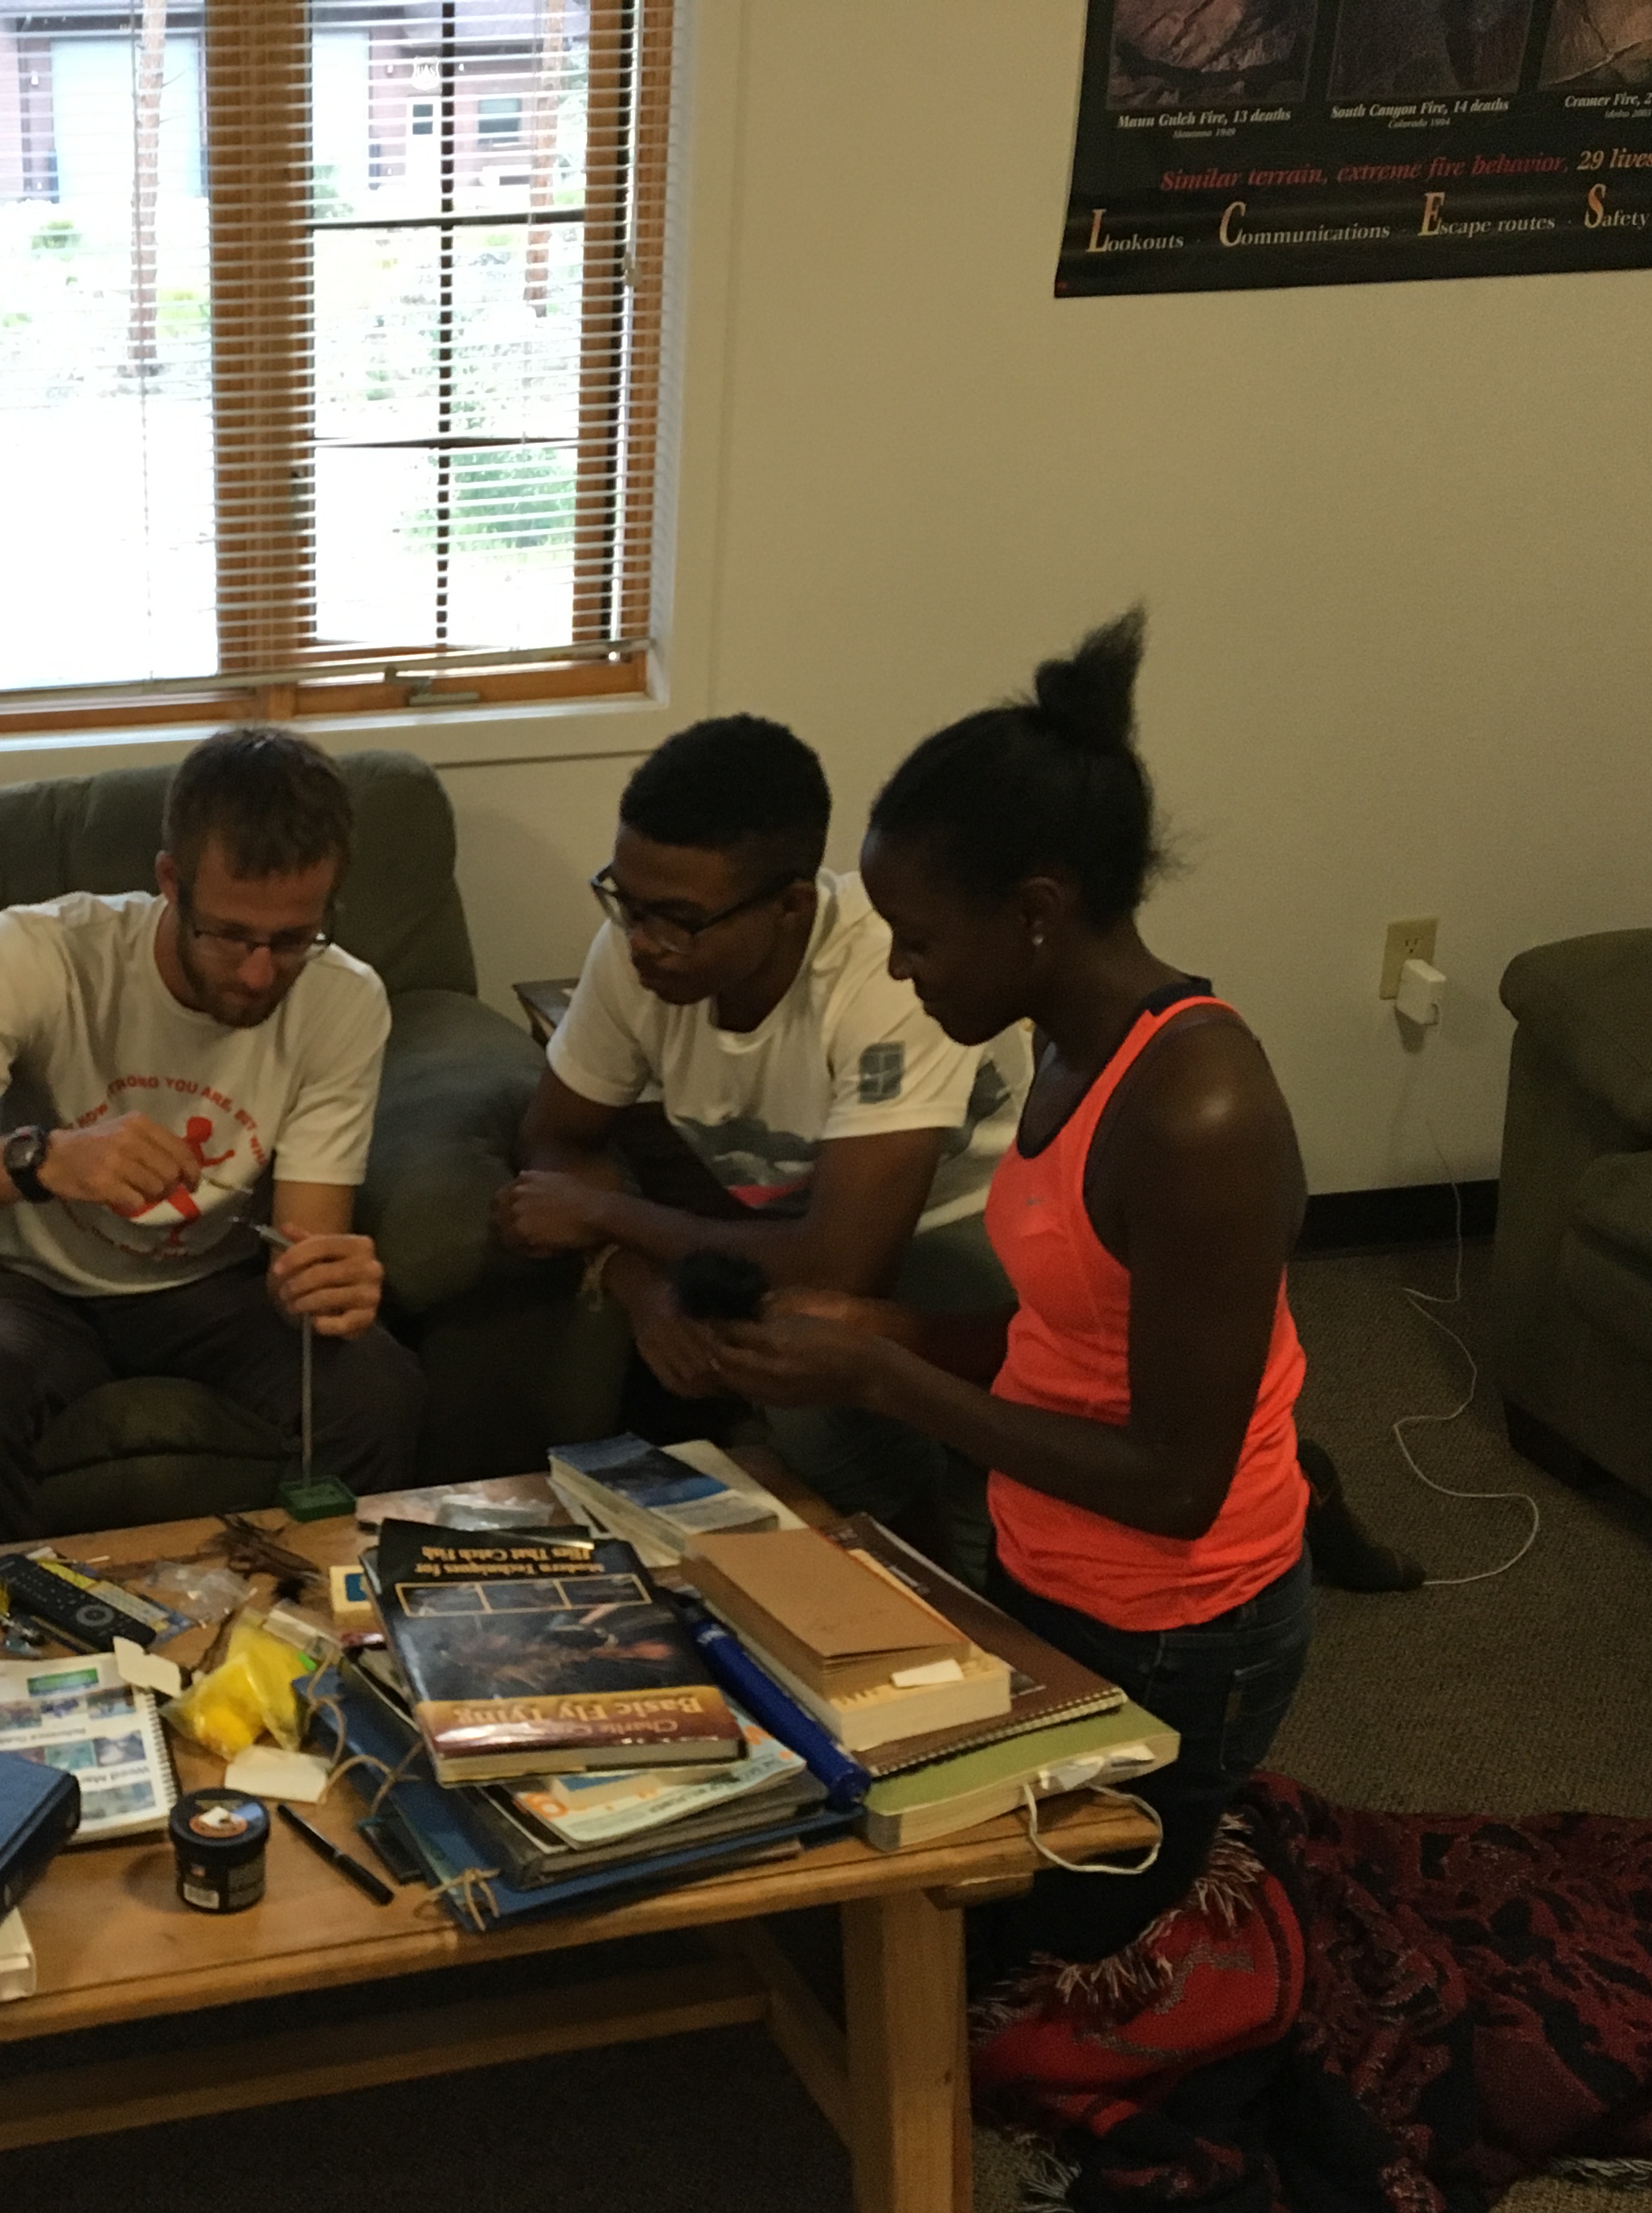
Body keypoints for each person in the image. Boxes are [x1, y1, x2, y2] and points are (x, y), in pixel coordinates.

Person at [711, 612, 1314, 1965]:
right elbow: (1070, 1331)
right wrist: (883, 1326)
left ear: (1034, 912)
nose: (899, 969)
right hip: (1044, 1571)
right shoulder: (1058, 1047)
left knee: (1003, 1978)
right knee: (859, 1908)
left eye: (917, 939)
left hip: (1179, 1623)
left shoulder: (1198, 1109)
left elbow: (1174, 1478)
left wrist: (883, 1376)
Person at [0, 726, 424, 1549]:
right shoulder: (37, 954)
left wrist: (321, 1279)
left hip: (221, 1288)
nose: (260, 972)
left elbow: (305, 1242)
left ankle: (324, 1642)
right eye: (228, 934)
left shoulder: (345, 1000)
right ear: (170, 884)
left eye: (293, 939)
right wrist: (43, 1159)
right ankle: (2, 1651)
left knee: (376, 1384)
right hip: (37, 1291)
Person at [494, 714, 1031, 1583]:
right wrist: (638, 1286)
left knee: (808, 1347)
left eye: (677, 919)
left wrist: (607, 1213)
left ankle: (961, 1603)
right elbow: (553, 1136)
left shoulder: (881, 976)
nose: (641, 942)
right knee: (781, 1361)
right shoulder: (635, 957)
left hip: (974, 1224)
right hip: (795, 1218)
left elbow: (841, 1263)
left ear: (790, 906)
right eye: (625, 902)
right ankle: (886, 1561)